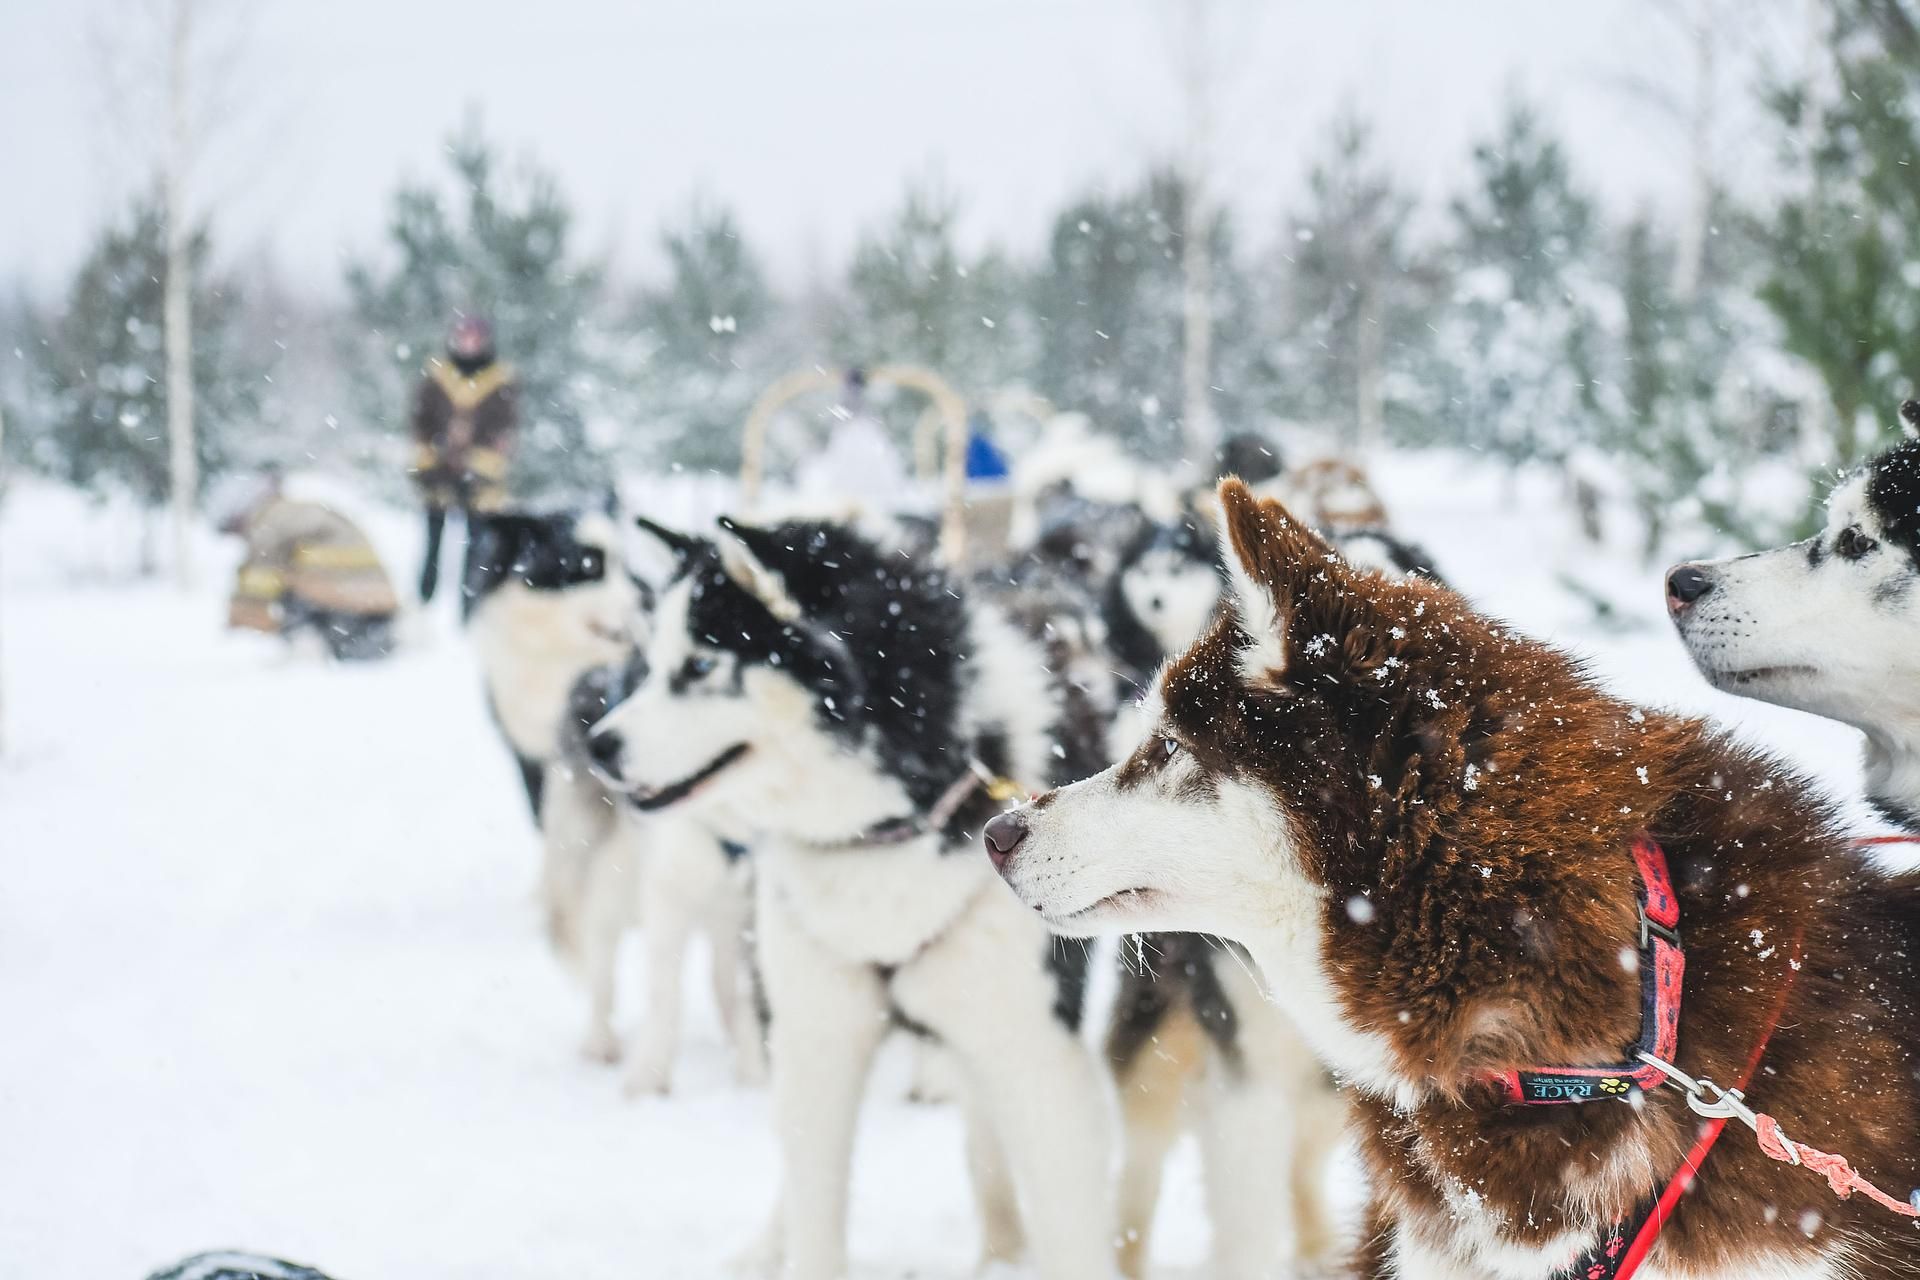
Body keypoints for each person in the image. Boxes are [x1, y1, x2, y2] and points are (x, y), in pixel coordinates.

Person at [222, 471, 399, 661]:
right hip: (375, 601)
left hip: (337, 599)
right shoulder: (297, 510)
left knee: (286, 586)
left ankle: (307, 644)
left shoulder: (268, 521)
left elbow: (259, 579)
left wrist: (242, 615)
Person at [409, 315, 518, 602]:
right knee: (433, 545)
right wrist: (439, 450)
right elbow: (420, 422)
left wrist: (474, 458)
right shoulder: (437, 378)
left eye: (475, 338)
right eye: (464, 336)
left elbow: (503, 431)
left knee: (476, 550)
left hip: (479, 479)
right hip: (439, 473)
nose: (469, 343)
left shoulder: (500, 381)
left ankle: (468, 611)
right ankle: (424, 604)